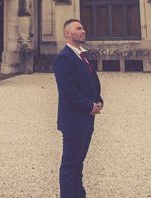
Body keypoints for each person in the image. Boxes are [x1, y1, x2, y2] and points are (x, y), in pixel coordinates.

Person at [53, 19, 103, 198]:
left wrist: (98, 100)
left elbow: (91, 83)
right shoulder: (64, 58)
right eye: (78, 28)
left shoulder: (82, 55)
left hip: (86, 119)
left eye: (83, 27)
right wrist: (89, 106)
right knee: (69, 164)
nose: (83, 31)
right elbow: (68, 91)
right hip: (74, 120)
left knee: (78, 163)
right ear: (68, 33)